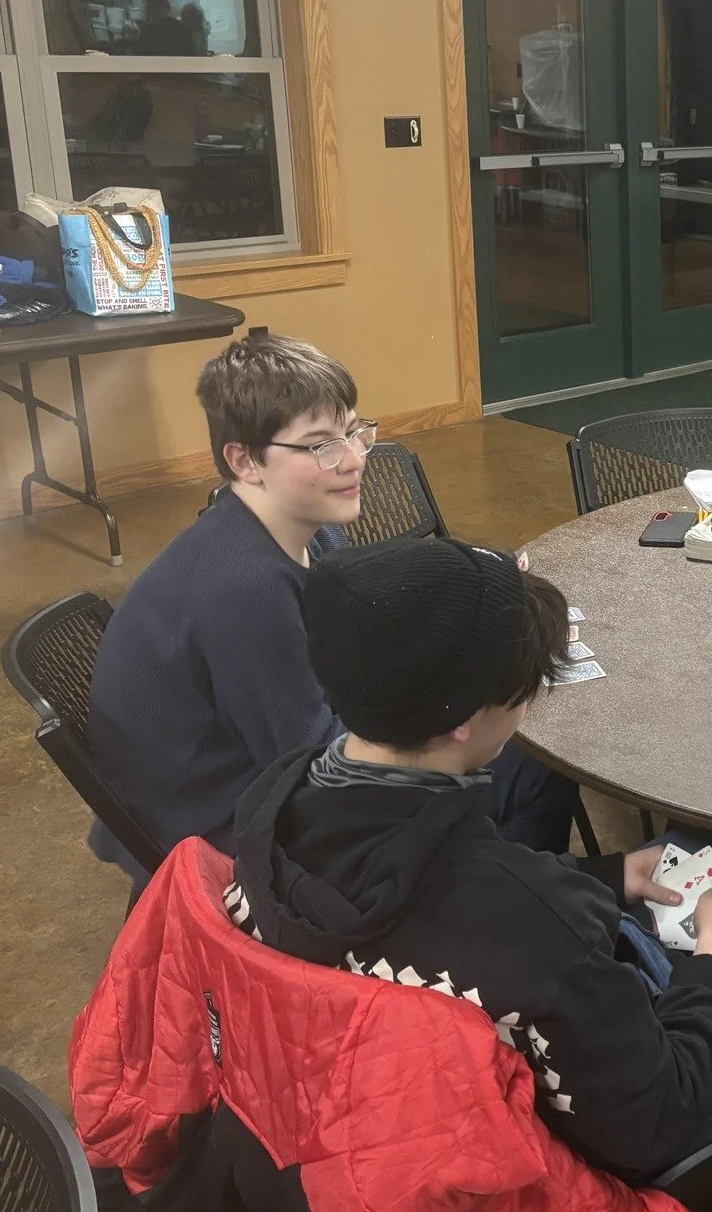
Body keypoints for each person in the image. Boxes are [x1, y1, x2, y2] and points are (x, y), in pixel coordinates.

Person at [229, 535, 712, 1212]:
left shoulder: (277, 803)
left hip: (406, 1077)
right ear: (463, 720)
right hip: (618, 1108)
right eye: (523, 684)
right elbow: (656, 1117)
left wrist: (604, 876)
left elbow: (454, 895)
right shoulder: (530, 923)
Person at [88, 331, 577, 883]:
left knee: (514, 742)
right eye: (321, 445)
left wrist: (483, 590)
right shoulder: (245, 590)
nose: (354, 459)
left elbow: (364, 619)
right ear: (245, 460)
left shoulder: (301, 527)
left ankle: (511, 890)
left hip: (261, 777)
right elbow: (317, 763)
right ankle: (502, 905)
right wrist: (461, 704)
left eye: (354, 431)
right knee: (525, 760)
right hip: (228, 831)